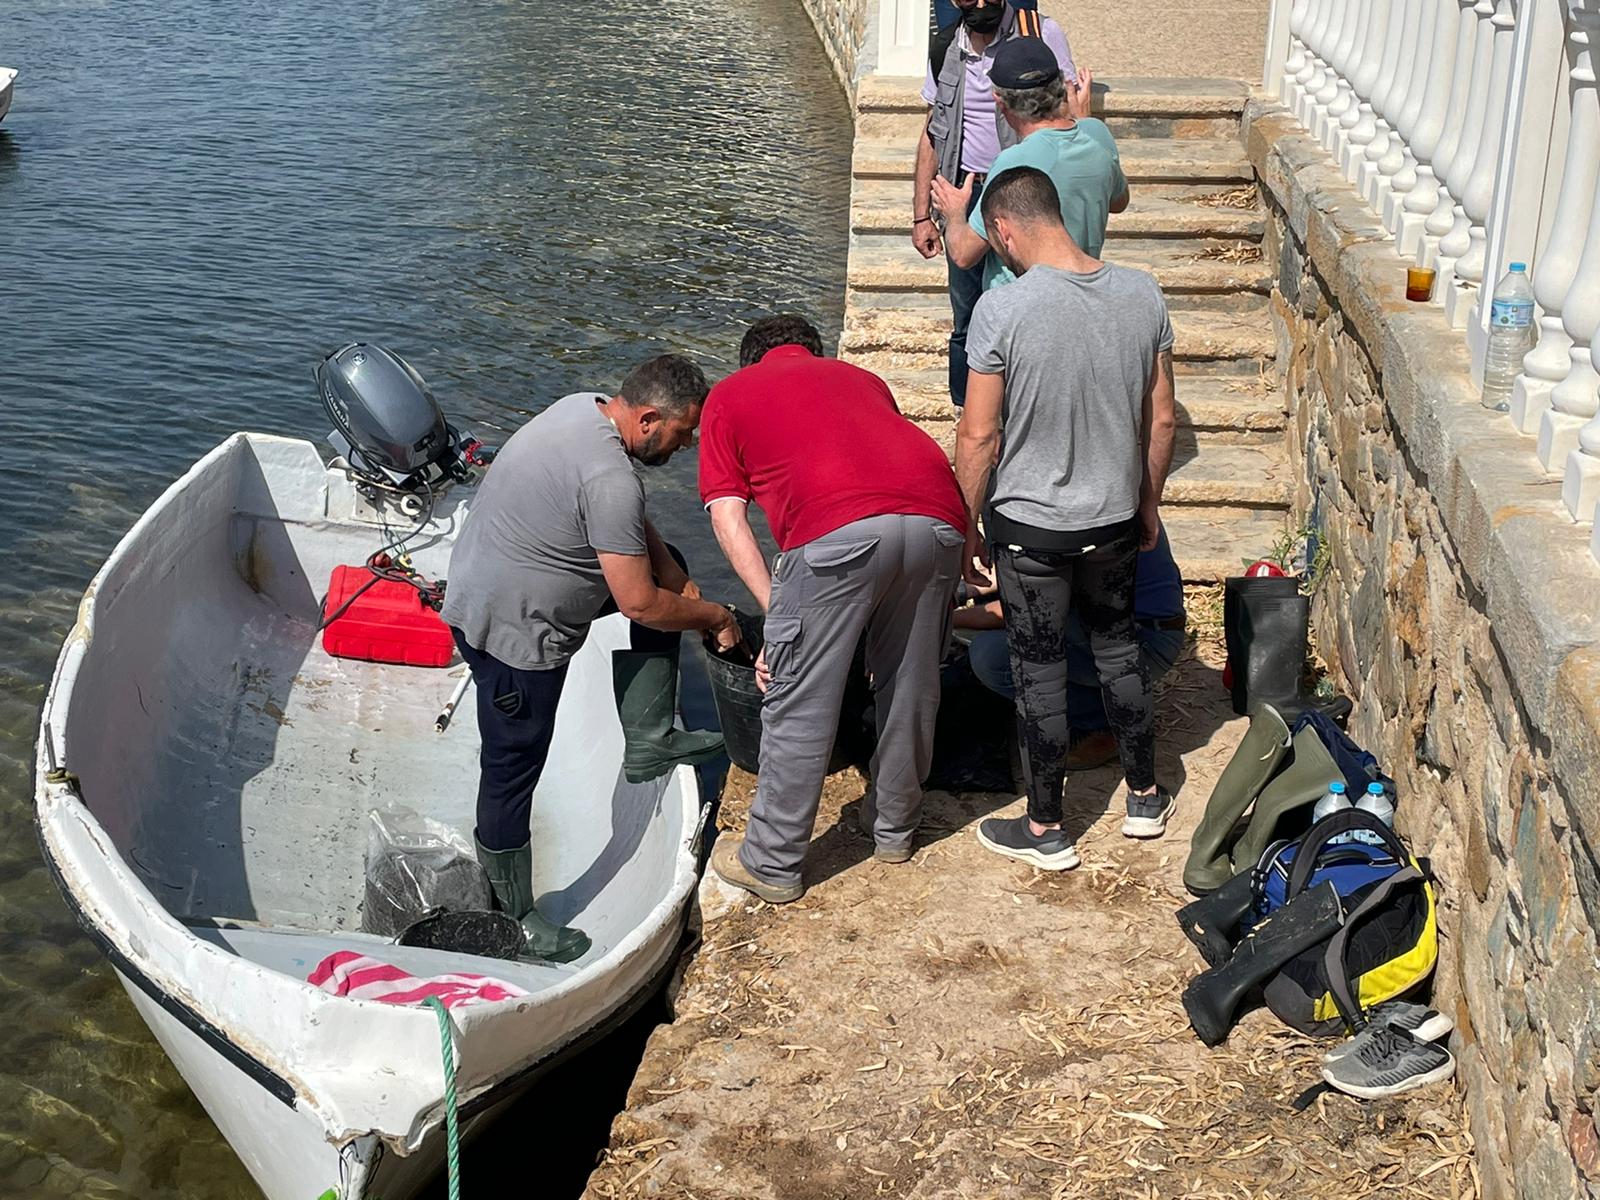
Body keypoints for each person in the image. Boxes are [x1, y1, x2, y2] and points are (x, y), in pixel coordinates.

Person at [441, 355, 741, 962]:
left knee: (666, 568)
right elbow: (639, 606)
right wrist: (715, 616)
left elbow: (632, 525)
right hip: (515, 638)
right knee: (512, 768)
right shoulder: (611, 478)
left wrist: (677, 575)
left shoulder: (583, 407)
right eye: (683, 435)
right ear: (650, 418)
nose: (685, 449)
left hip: (484, 587)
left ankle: (649, 736)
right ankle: (515, 916)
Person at [698, 316, 968, 904]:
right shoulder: (861, 377)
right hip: (941, 521)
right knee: (911, 683)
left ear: (750, 362)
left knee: (799, 698)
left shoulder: (728, 395)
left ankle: (771, 862)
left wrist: (779, 611)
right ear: (814, 353)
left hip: (836, 533)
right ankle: (893, 827)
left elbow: (726, 516)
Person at [953, 167, 1178, 868]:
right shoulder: (1142, 294)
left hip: (1031, 529)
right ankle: (1143, 796)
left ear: (1004, 229)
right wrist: (1148, 502)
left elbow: (978, 434)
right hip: (1112, 517)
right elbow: (1162, 417)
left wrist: (965, 526)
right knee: (1117, 651)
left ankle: (1047, 830)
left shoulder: (1003, 310)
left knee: (1038, 669)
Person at [914, 0, 1075, 406]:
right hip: (965, 197)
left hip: (1026, 191)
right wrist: (921, 215)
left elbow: (1069, 113)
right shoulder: (946, 45)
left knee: (1032, 307)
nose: (982, 4)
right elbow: (933, 132)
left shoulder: (1039, 35)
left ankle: (1031, 407)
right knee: (968, 314)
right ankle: (970, 417)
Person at [957, 523, 1188, 769]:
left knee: (991, 656)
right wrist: (960, 591)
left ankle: (1103, 718)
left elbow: (1029, 605)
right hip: (1114, 626)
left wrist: (947, 619)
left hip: (1144, 640)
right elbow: (1016, 571)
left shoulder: (1069, 511)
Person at [931, 37, 1126, 291]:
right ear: (1060, 88)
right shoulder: (1097, 134)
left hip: (1021, 306)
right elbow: (1119, 202)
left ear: (1000, 102)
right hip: (1082, 295)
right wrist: (1082, 119)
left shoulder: (1013, 163)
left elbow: (964, 254)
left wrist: (955, 213)